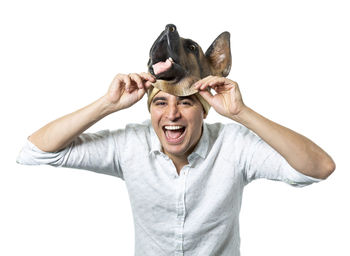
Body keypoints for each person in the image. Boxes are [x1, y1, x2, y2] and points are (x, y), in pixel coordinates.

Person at [17, 72, 335, 256]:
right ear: (150, 111)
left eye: (185, 102)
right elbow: (37, 150)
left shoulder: (235, 145)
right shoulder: (130, 143)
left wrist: (241, 113)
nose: (171, 115)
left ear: (205, 111)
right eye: (161, 102)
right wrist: (107, 104)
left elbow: (319, 167)